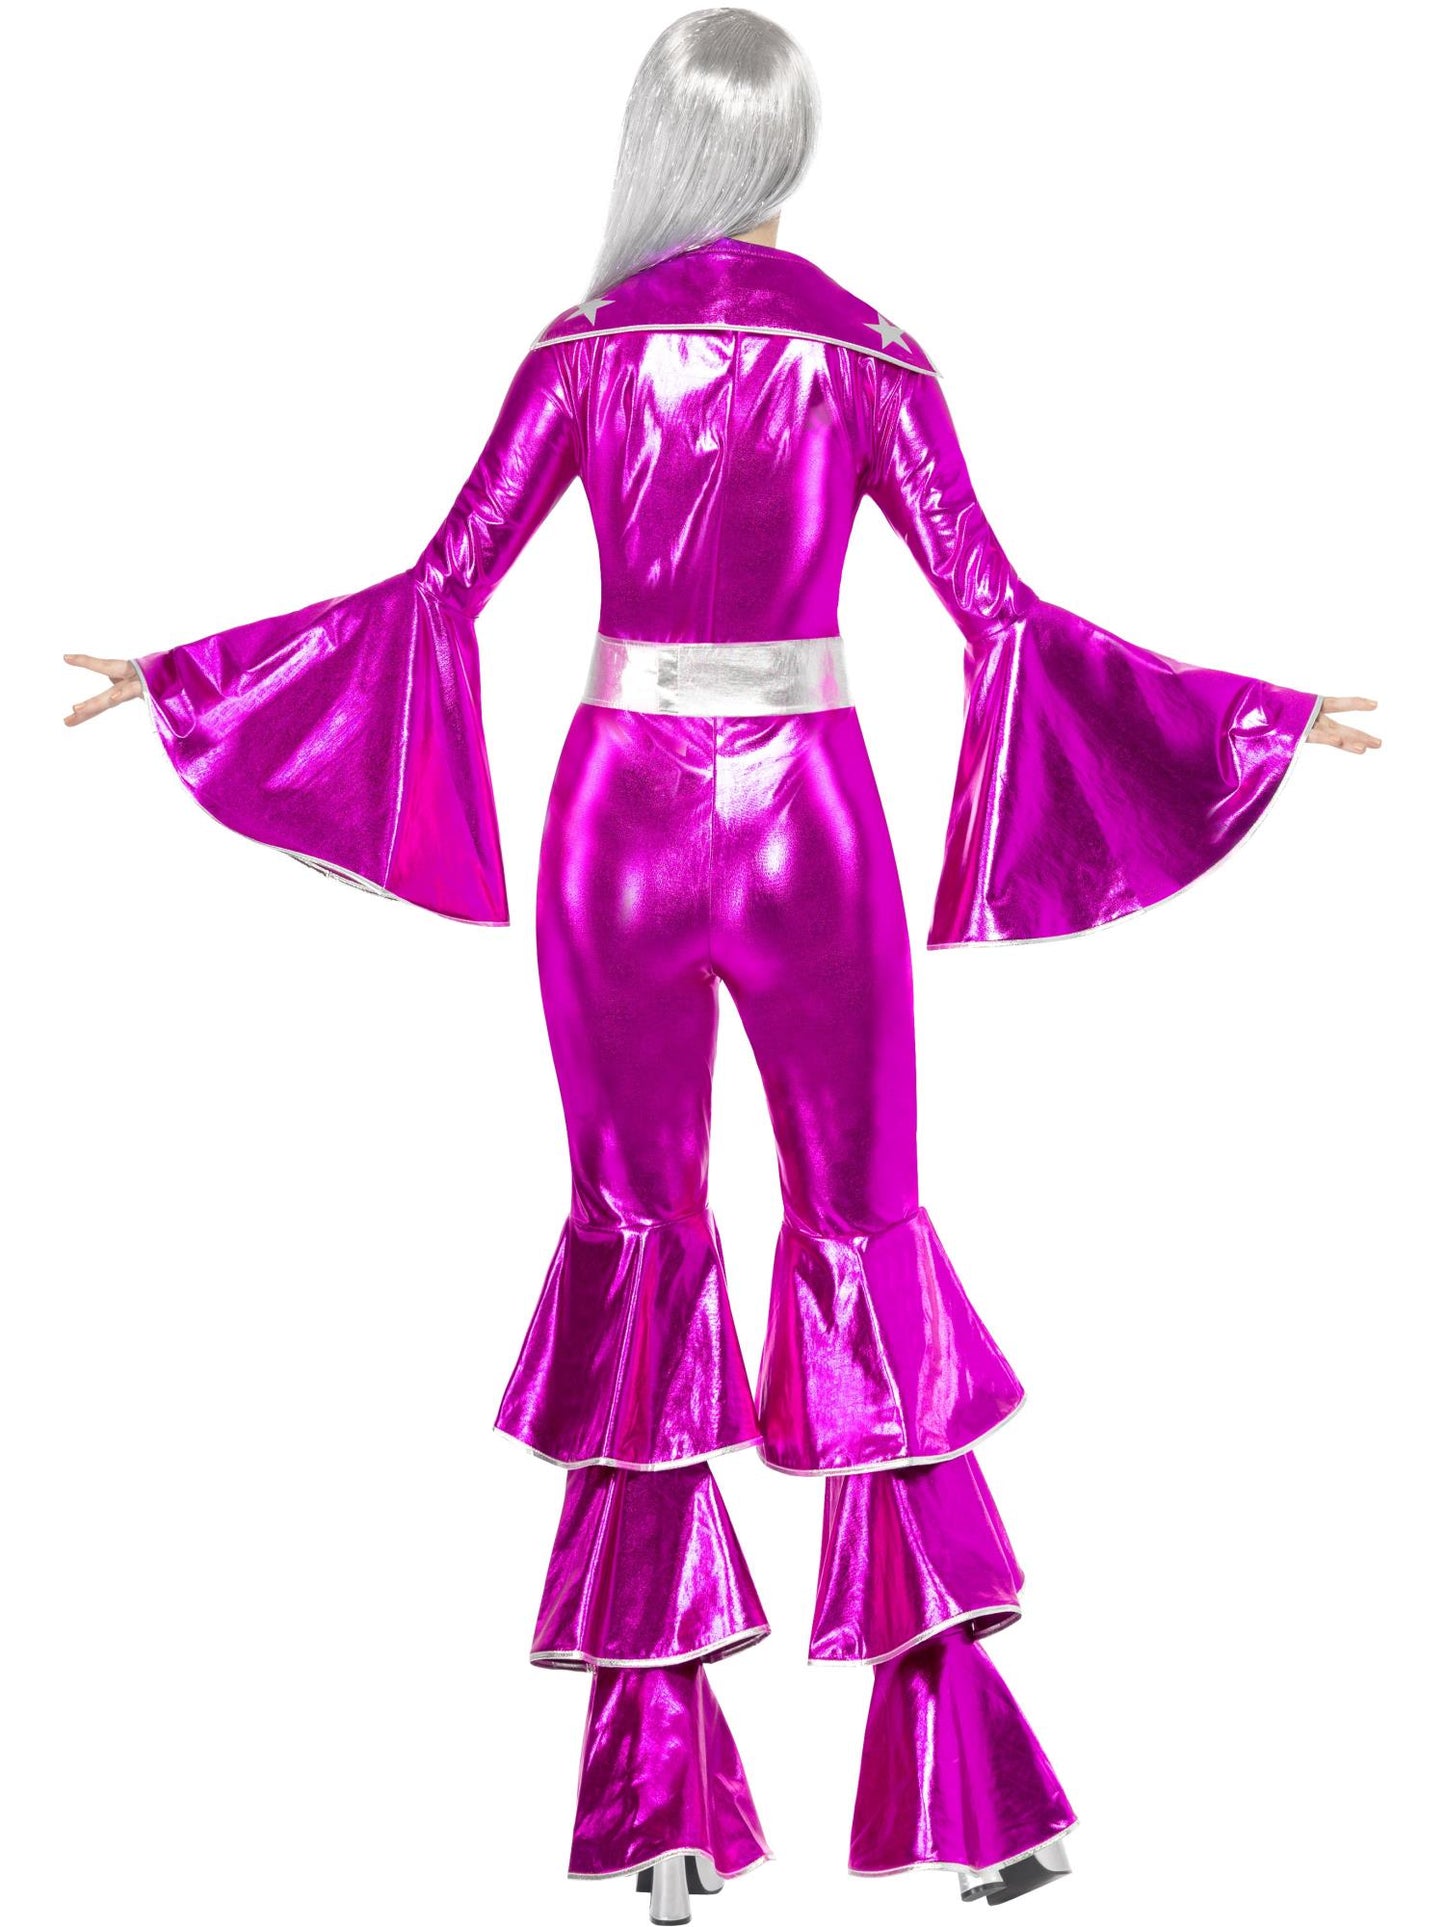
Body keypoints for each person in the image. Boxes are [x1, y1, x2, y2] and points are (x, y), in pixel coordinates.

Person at [62, 7, 1381, 1918]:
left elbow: (439, 591)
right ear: (788, 147)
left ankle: (661, 1809)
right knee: (863, 1243)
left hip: (612, 819)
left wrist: (198, 680)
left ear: (658, 143)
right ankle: (977, 1801)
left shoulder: (582, 348)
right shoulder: (869, 352)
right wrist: (1241, 721)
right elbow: (997, 612)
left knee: (638, 1244)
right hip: (807, 820)